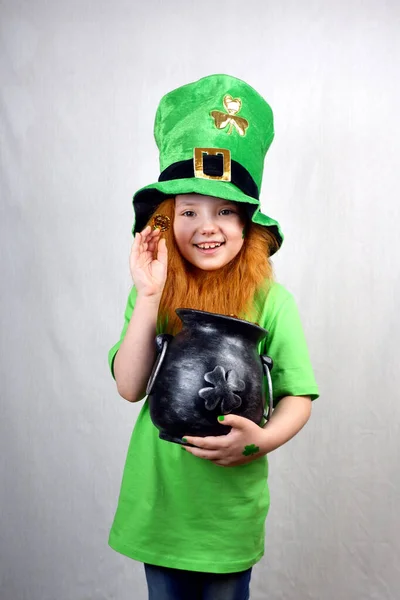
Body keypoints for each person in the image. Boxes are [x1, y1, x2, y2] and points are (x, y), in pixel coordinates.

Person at [108, 74, 319, 600]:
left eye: (225, 210)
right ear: (165, 220)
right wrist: (150, 296)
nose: (208, 226)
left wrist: (263, 440)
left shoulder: (272, 300)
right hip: (162, 506)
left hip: (228, 510)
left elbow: (298, 394)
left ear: (249, 224)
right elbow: (130, 386)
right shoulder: (153, 292)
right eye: (189, 211)